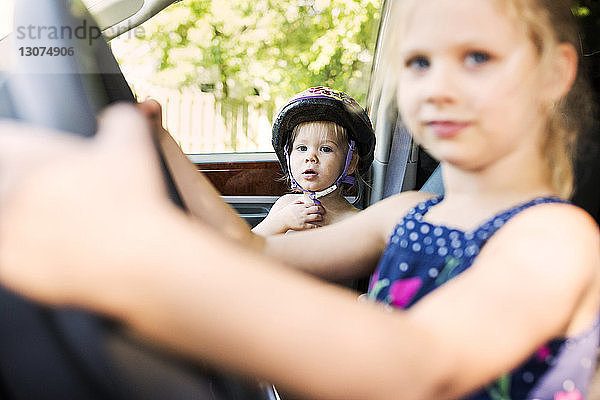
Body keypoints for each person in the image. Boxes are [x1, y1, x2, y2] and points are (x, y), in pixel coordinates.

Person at [1, 0, 599, 399]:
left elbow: (421, 366)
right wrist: (161, 144)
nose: (439, 87)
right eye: (418, 62)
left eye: (477, 58)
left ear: (553, 74)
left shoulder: (555, 237)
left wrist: (135, 263)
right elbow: (252, 256)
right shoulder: (406, 214)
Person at [252, 86, 375, 235]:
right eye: (302, 148)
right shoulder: (285, 206)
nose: (310, 157)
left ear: (351, 163)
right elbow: (248, 247)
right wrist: (281, 222)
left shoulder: (357, 222)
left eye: (325, 149)